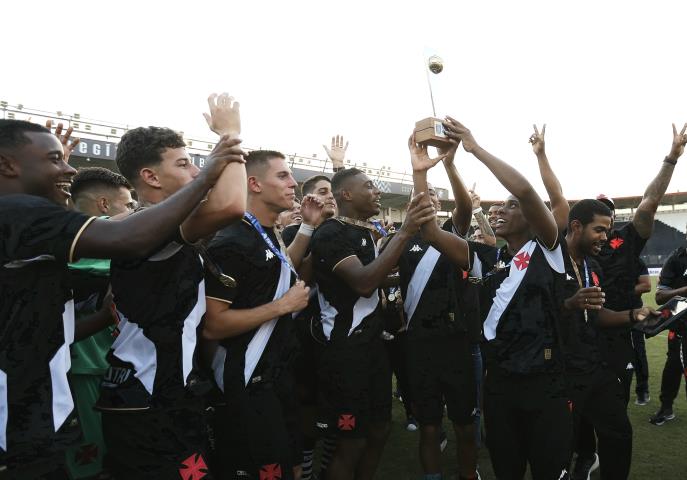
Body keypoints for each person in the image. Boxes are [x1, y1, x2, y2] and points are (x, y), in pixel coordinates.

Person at [0, 115, 242, 478]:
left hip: (52, 411)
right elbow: (228, 206)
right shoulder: (19, 212)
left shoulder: (28, 220)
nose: (67, 167)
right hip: (147, 394)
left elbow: (36, 325)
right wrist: (218, 158)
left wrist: (48, 175)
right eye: (54, 159)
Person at [95, 93, 247, 479]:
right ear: (150, 177)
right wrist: (230, 133)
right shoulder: (149, 225)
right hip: (149, 400)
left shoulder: (147, 226)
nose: (196, 172)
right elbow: (231, 206)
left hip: (154, 393)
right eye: (184, 164)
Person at [411, 117, 572, 480]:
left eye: (510, 207)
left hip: (545, 385)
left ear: (533, 218)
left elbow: (529, 192)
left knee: (548, 470)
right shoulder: (486, 257)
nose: (501, 210)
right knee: (507, 469)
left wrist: (475, 148)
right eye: (500, 206)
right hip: (499, 386)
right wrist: (420, 173)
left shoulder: (547, 249)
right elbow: (430, 231)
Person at [573, 122, 687, 479]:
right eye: (598, 220)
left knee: (613, 426)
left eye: (609, 219)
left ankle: (605, 465)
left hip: (614, 344)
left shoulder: (625, 243)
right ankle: (584, 456)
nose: (605, 229)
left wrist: (671, 158)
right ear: (579, 224)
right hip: (576, 345)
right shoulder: (571, 248)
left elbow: (650, 203)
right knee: (575, 420)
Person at [310, 167, 434, 480]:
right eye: (368, 187)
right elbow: (364, 283)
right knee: (351, 442)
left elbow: (377, 275)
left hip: (373, 346)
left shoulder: (364, 231)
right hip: (345, 351)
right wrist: (405, 231)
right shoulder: (330, 233)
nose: (376, 192)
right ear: (346, 195)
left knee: (379, 430)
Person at [203, 149, 310, 479]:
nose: (293, 183)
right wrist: (281, 306)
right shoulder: (231, 240)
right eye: (282, 176)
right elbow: (212, 325)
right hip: (249, 381)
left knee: (293, 463)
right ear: (254, 183)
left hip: (279, 375)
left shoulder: (269, 235)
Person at [401, 129, 479, 480]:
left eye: (433, 196)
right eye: (422, 196)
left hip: (457, 343)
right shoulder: (397, 241)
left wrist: (449, 164)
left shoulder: (450, 232)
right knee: (430, 427)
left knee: (464, 425)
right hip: (419, 345)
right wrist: (420, 173)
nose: (427, 199)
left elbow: (464, 207)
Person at [562, 199, 657, 480]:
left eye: (609, 229)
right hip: (559, 369)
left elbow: (598, 315)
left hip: (593, 364)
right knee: (562, 442)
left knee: (618, 432)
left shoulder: (592, 266)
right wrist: (569, 304)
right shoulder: (549, 260)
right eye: (600, 230)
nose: (606, 237)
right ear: (576, 227)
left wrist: (634, 314)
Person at [65, 167, 135, 479]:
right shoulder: (82, 241)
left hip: (104, 366)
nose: (135, 213)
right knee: (90, 466)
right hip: (82, 371)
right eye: (129, 205)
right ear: (105, 206)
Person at [651, 233, 687, 425]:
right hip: (681, 325)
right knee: (673, 366)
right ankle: (666, 408)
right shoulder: (676, 259)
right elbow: (659, 297)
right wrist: (683, 291)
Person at [631, 259, 652, 406]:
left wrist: (620, 292)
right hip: (608, 313)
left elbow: (646, 285)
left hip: (634, 314)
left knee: (638, 352)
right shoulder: (602, 259)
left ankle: (642, 390)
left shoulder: (636, 261)